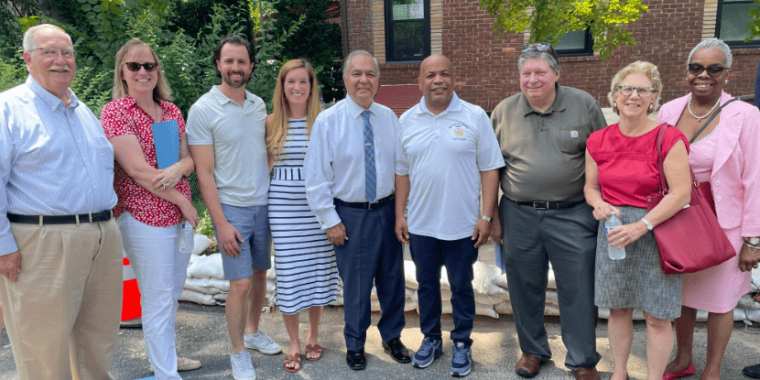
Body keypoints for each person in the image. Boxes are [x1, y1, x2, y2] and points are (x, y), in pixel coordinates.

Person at [0, 24, 123, 379]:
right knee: (44, 350)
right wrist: (3, 245)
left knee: (97, 344)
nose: (60, 60)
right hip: (42, 242)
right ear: (27, 58)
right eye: (49, 52)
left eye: (66, 53)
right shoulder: (9, 109)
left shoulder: (82, 111)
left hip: (101, 234)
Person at [490, 43, 606, 380]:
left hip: (574, 213)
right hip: (518, 213)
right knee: (524, 287)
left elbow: (603, 158)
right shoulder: (503, 112)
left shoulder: (584, 105)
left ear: (557, 73)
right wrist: (491, 216)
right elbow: (490, 169)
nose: (533, 79)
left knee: (579, 288)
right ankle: (532, 351)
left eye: (540, 72)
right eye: (526, 73)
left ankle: (583, 359)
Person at [656, 39, 760, 380]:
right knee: (682, 295)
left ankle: (712, 368)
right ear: (687, 72)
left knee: (722, 300)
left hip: (726, 223)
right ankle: (683, 357)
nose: (704, 75)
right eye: (696, 67)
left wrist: (754, 239)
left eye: (714, 69)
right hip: (682, 221)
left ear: (727, 74)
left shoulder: (745, 115)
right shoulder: (669, 111)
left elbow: (755, 177)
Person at [394, 54, 504, 377]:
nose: (437, 80)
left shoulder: (473, 117)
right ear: (420, 82)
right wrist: (400, 214)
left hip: (463, 225)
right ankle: (430, 338)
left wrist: (486, 215)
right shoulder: (406, 121)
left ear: (454, 79)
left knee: (460, 286)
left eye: (444, 74)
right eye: (430, 75)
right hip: (421, 225)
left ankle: (461, 342)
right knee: (426, 285)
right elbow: (402, 173)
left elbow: (489, 167)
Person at [99, 38, 202, 379]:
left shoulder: (170, 111)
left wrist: (179, 169)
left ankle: (167, 358)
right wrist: (183, 199)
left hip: (178, 218)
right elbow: (138, 171)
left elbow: (188, 159)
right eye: (134, 66)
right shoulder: (116, 112)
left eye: (149, 65)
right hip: (145, 218)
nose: (143, 72)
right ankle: (165, 373)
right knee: (157, 298)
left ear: (158, 71)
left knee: (171, 294)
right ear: (123, 73)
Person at [585, 61, 692, 380]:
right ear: (614, 95)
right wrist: (599, 204)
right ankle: (619, 373)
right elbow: (590, 188)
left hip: (658, 232)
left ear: (654, 97)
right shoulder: (598, 140)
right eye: (626, 88)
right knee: (618, 310)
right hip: (615, 232)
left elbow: (681, 194)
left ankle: (654, 376)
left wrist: (642, 225)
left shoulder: (668, 137)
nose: (633, 95)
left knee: (658, 316)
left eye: (642, 89)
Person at [304, 50, 410, 371]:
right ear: (346, 78)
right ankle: (355, 344)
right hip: (350, 215)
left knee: (392, 279)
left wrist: (402, 212)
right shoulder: (328, 121)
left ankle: (392, 337)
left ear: (378, 80)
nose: (364, 80)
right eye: (357, 73)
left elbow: (401, 168)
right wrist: (330, 221)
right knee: (357, 284)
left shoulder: (389, 118)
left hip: (387, 210)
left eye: (370, 74)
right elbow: (315, 178)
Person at [187, 34, 282, 380]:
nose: (236, 67)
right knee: (239, 284)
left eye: (242, 61)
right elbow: (204, 172)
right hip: (232, 209)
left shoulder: (258, 106)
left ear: (251, 66)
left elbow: (267, 152)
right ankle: (237, 350)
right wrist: (221, 224)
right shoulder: (202, 109)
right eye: (229, 61)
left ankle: (253, 332)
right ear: (218, 65)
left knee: (259, 276)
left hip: (264, 205)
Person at [266, 59, 339, 373]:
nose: (296, 87)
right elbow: (264, 167)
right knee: (289, 273)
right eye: (290, 82)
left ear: (312, 87)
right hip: (283, 209)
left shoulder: (324, 120)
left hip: (318, 208)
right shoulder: (270, 123)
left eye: (303, 82)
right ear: (282, 87)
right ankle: (293, 343)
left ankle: (313, 335)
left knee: (318, 271)